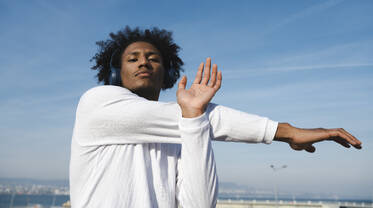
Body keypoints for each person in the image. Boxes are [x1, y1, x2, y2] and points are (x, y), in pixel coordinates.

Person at [69, 26, 362, 208]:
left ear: (168, 72)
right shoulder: (98, 102)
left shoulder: (186, 128)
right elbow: (208, 119)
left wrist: (195, 121)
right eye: (132, 59)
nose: (143, 61)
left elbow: (198, 205)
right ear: (116, 73)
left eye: (153, 58)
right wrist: (286, 132)